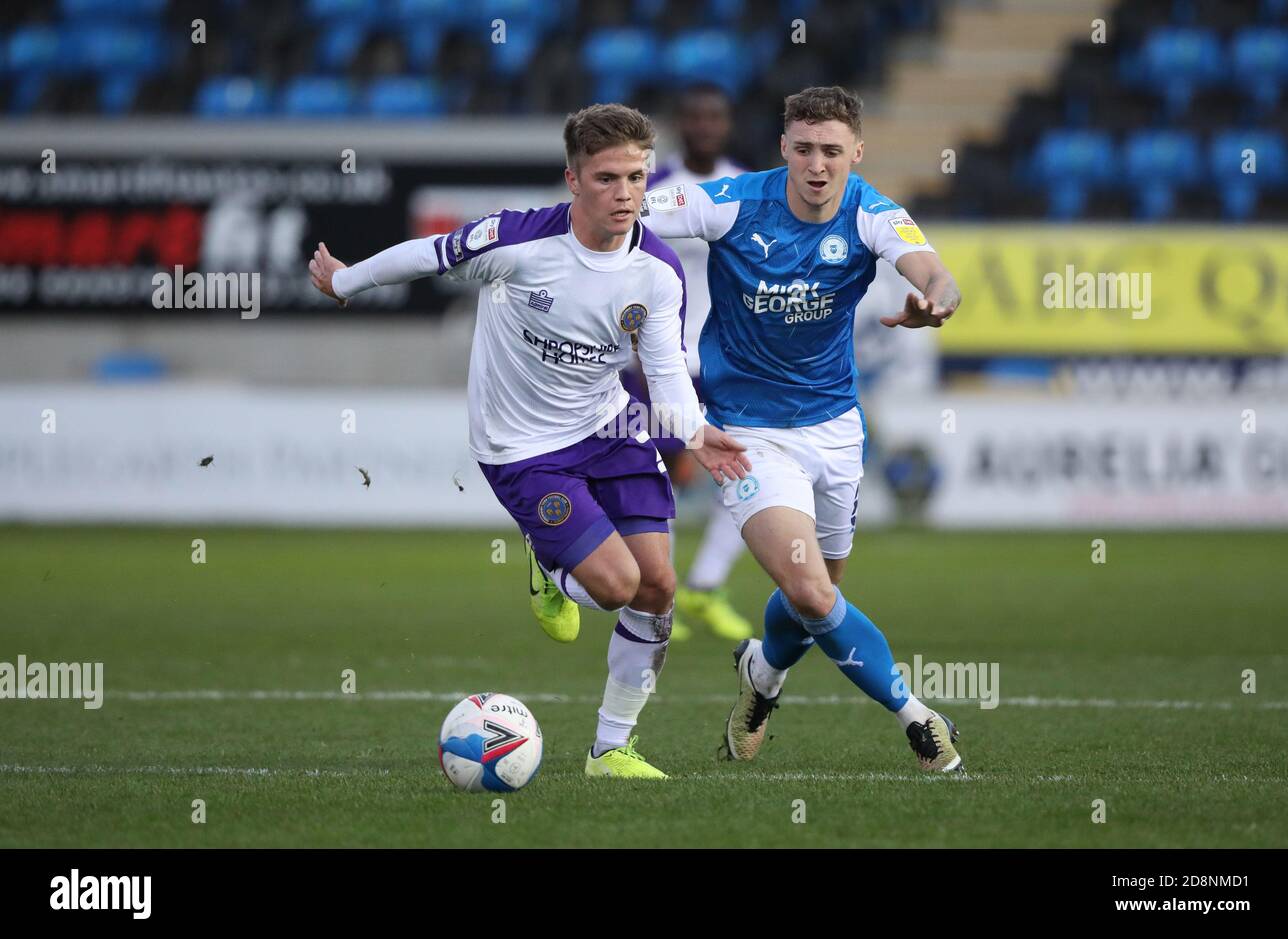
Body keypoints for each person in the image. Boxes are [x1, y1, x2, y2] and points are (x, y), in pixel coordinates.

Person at [308, 103, 750, 779]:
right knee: (617, 585)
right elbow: (426, 255)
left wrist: (693, 432)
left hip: (609, 422)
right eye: (607, 178)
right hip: (521, 445)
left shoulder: (657, 273)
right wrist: (345, 280)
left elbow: (665, 376)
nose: (625, 193)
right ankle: (548, 562)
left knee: (657, 586)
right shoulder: (516, 242)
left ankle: (610, 751)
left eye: (635, 177)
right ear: (572, 180)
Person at [639, 86, 966, 772]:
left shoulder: (872, 211)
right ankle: (919, 720)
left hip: (837, 431)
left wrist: (934, 302)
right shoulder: (730, 201)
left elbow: (935, 271)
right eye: (806, 149)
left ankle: (761, 676)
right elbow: (623, 208)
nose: (818, 165)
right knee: (815, 594)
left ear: (857, 154)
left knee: (817, 601)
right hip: (750, 435)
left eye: (833, 152)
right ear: (784, 147)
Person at [628, 82, 754, 644]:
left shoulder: (747, 187)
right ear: (679, 124)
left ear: (726, 123)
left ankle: (706, 585)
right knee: (661, 479)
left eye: (715, 115)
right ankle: (668, 595)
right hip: (660, 359)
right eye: (695, 116)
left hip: (727, 359)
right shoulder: (653, 190)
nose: (705, 125)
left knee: (747, 471)